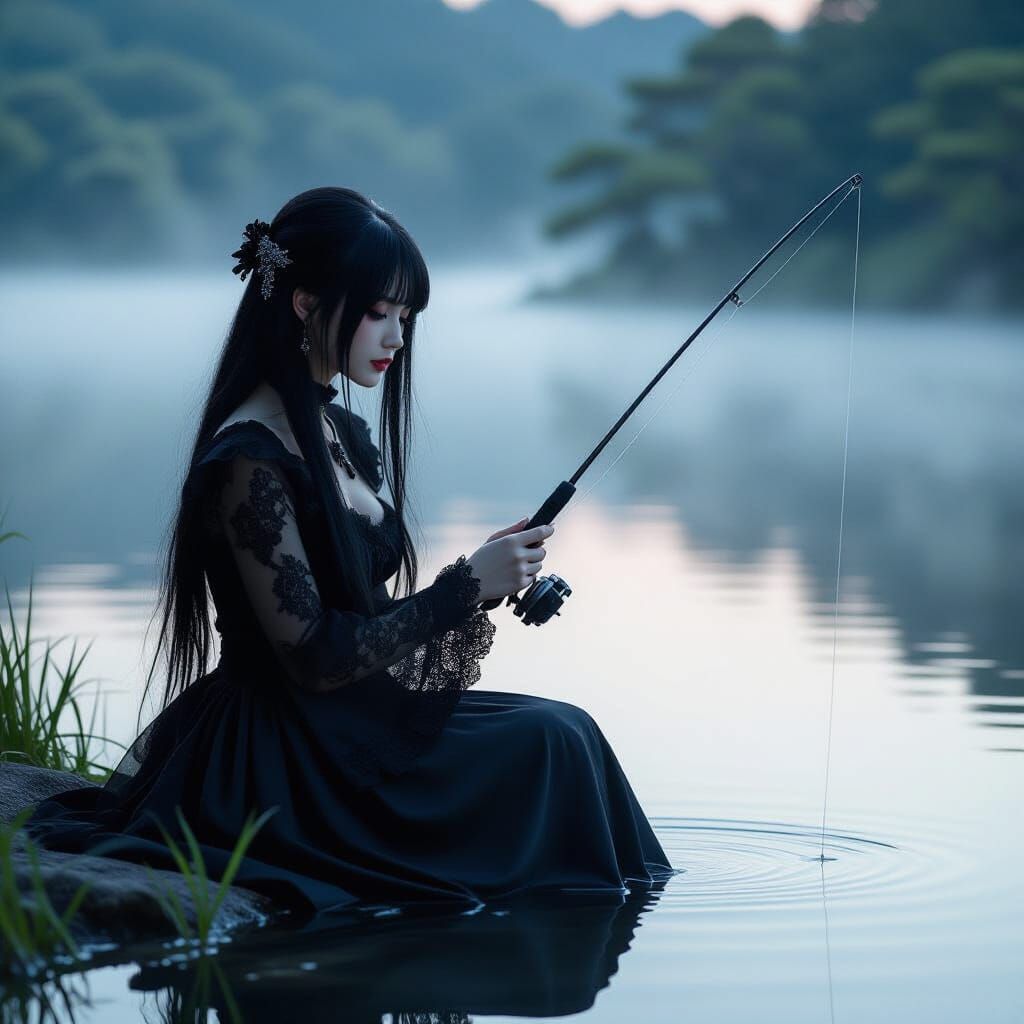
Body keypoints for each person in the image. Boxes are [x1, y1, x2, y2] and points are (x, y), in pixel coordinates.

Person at [24, 186, 676, 916]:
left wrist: (485, 577)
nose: (396, 337)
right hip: (285, 751)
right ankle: (582, 934)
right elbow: (315, 656)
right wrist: (462, 589)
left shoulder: (339, 431)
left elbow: (359, 613)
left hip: (343, 722)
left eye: (405, 317)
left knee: (568, 731)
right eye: (378, 314)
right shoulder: (250, 460)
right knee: (552, 740)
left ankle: (604, 922)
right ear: (305, 304)